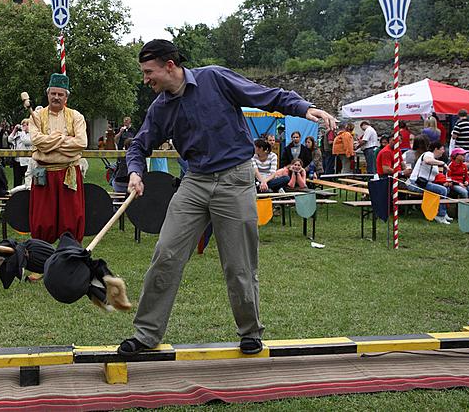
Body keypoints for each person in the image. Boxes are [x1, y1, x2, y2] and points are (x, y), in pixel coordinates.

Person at [119, 39, 335, 357]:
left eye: (149, 72)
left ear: (169, 65)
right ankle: (147, 333)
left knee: (239, 264)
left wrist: (304, 108)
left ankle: (250, 331)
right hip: (193, 184)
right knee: (166, 253)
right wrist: (135, 171)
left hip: (235, 179)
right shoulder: (160, 108)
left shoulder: (214, 78)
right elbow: (139, 144)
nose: (145, 79)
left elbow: (266, 96)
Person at [28, 73, 88, 243]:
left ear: (66, 96)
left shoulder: (76, 116)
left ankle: (69, 258)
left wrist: (50, 142)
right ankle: (40, 259)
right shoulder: (37, 116)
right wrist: (63, 138)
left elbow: (81, 143)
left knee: (71, 217)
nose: (56, 97)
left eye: (60, 94)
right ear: (47, 94)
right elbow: (37, 141)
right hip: (43, 174)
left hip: (69, 173)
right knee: (42, 219)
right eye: (53, 93)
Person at [407, 141, 451, 224]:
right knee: (442, 190)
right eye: (442, 149)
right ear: (436, 149)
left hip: (425, 183)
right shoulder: (428, 154)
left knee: (446, 188)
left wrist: (445, 181)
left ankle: (443, 213)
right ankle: (440, 215)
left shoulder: (435, 159)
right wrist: (443, 163)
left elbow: (435, 176)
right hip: (415, 183)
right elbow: (427, 161)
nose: (443, 151)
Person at [8, 119, 32, 187]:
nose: (23, 127)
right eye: (22, 125)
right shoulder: (19, 134)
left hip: (26, 161)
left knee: (27, 180)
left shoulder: (31, 134)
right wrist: (14, 130)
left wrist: (23, 131)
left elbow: (25, 141)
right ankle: (16, 195)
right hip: (17, 161)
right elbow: (9, 139)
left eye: (25, 125)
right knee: (17, 181)